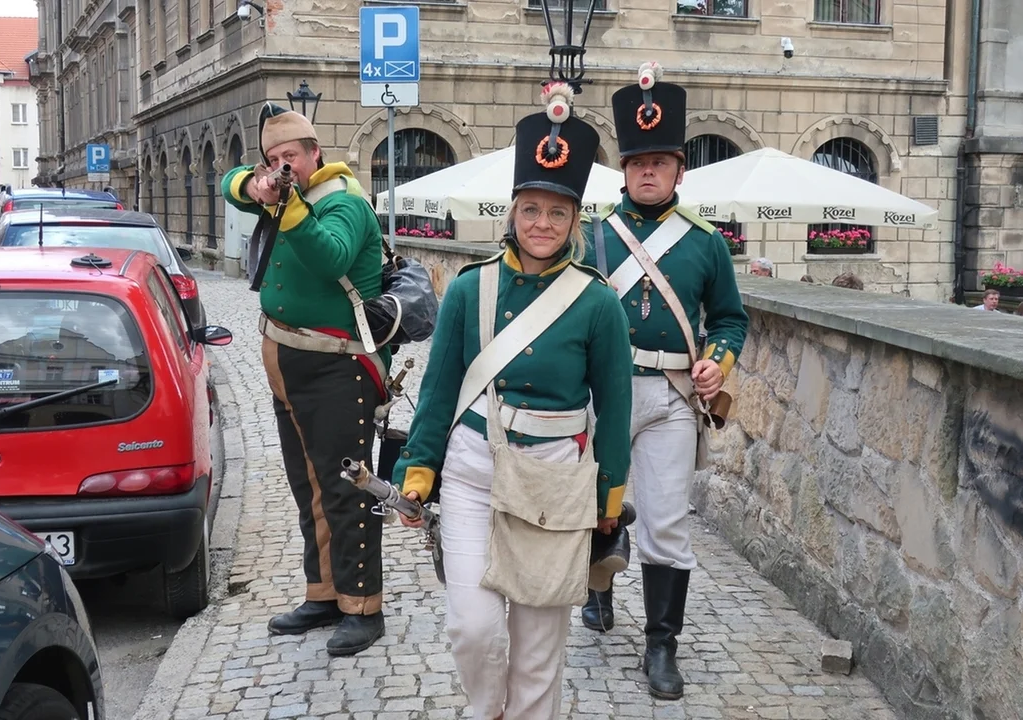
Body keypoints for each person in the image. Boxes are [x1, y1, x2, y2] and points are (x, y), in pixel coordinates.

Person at [392, 84, 634, 720]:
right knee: (473, 628)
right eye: (531, 210)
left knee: (537, 649)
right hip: (474, 471)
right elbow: (439, 390)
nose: (542, 225)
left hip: (555, 485)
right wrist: (419, 470)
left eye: (557, 213)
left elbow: (614, 409)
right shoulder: (470, 289)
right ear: (512, 212)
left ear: (574, 220)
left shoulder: (599, 302)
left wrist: (609, 499)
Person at [579, 61, 749, 701]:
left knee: (667, 523)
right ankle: (597, 590)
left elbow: (730, 320)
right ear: (624, 170)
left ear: (680, 169)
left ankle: (660, 646)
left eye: (660, 161)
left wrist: (718, 360)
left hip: (674, 395)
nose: (647, 171)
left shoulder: (705, 244)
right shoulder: (593, 236)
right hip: (602, 393)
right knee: (597, 506)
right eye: (636, 162)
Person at [221, 103, 389, 656]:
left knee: (346, 488)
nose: (282, 165)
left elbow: (330, 255)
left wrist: (287, 203)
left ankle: (363, 606)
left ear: (315, 154)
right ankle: (323, 593)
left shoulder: (343, 200)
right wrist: (255, 184)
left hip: (336, 366)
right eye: (273, 158)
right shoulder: (280, 191)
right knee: (307, 485)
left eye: (290, 155)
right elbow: (228, 186)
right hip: (288, 363)